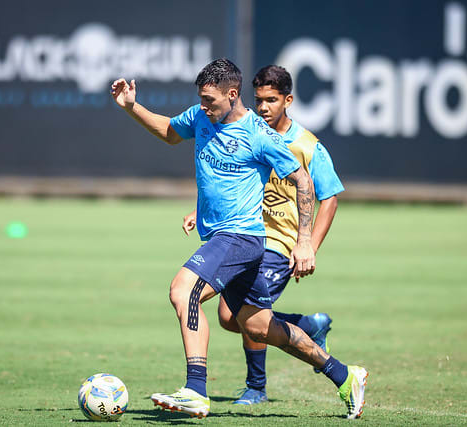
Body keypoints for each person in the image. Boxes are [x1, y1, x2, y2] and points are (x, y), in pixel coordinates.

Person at [111, 58, 367, 420]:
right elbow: (170, 131)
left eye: (210, 100)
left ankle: (196, 390)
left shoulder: (260, 135)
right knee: (255, 326)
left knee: (184, 291)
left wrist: (305, 241)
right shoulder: (202, 116)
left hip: (241, 237)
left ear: (232, 94)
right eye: (201, 99)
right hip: (224, 236)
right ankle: (344, 375)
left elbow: (304, 182)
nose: (204, 106)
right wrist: (132, 107)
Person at [181, 64, 346, 406]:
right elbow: (235, 182)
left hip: (278, 246)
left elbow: (327, 197)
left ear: (288, 101)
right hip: (246, 233)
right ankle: (309, 327)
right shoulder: (246, 131)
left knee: (230, 314)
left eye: (272, 100)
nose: (264, 107)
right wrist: (203, 210)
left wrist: (308, 246)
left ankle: (256, 386)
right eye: (259, 100)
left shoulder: (306, 145)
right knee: (237, 319)